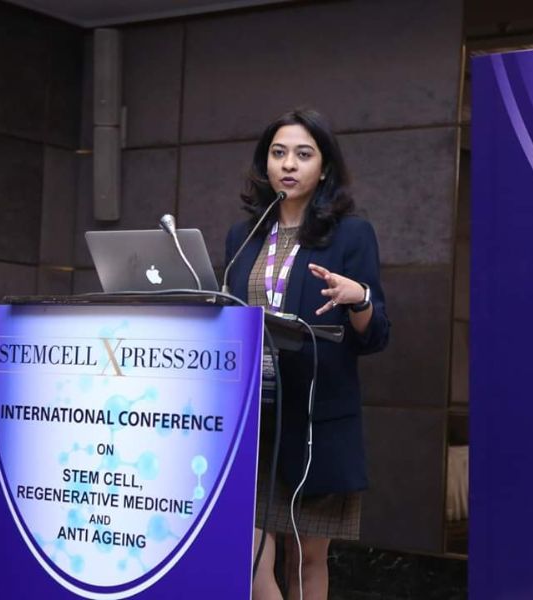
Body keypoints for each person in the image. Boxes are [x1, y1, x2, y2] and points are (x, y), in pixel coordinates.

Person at [224, 108, 390, 600]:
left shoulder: (351, 235)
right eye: (278, 153)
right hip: (252, 420)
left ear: (324, 166)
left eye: (303, 153)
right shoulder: (245, 237)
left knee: (306, 559)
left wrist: (356, 297)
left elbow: (375, 334)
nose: (288, 165)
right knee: (249, 556)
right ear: (265, 164)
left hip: (316, 418)